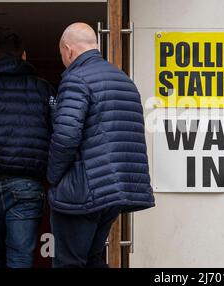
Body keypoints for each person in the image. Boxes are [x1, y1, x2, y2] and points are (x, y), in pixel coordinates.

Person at [47, 22, 155, 268]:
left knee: (69, 262)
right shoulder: (125, 81)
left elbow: (65, 136)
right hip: (113, 191)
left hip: (82, 190)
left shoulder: (76, 79)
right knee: (93, 259)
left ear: (68, 49)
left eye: (62, 54)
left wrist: (53, 176)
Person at [0, 31, 55, 268]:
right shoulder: (43, 89)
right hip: (26, 185)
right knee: (21, 258)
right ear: (25, 56)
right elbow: (60, 132)